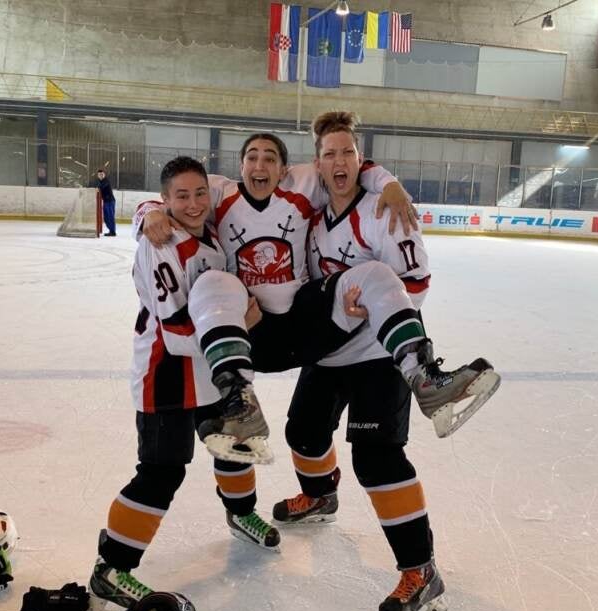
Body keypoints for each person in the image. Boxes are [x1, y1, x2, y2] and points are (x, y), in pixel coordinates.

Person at [273, 111, 500, 611]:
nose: (339, 162)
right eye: (329, 153)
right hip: (328, 352)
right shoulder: (307, 213)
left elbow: (415, 287)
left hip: (380, 353)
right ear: (319, 160)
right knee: (302, 433)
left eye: (347, 153)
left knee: (377, 460)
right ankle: (320, 493)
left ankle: (421, 573)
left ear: (360, 158)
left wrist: (365, 307)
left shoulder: (383, 210)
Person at [138, 133, 497, 438]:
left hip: (302, 326)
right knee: (214, 282)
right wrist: (148, 212)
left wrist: (388, 183)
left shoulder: (305, 184)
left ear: (285, 169)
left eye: (270, 159)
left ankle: (424, 378)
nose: (260, 166)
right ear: (240, 165)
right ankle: (239, 406)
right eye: (251, 158)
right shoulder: (216, 191)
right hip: (252, 332)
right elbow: (172, 196)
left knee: (375, 273)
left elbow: (353, 165)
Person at [88, 156, 279, 611]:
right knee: (162, 471)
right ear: (166, 199)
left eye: (199, 194)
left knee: (235, 441)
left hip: (209, 371)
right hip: (166, 373)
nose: (193, 204)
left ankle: (240, 514)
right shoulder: (161, 244)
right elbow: (173, 333)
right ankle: (112, 567)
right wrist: (242, 330)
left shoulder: (211, 234)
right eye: (181, 196)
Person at [95, 168, 116, 236]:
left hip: (110, 201)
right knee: (106, 217)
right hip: (106, 201)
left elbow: (102, 187)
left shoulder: (106, 181)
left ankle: (112, 231)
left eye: (102, 174)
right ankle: (111, 230)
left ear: (104, 175)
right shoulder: (100, 182)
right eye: (99, 175)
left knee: (110, 216)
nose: (100, 176)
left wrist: (98, 188)